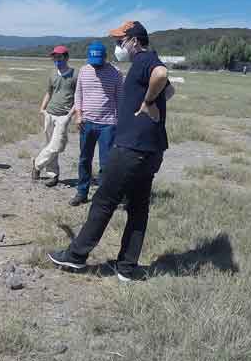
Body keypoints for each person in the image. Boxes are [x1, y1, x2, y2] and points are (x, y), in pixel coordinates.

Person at [49, 20, 176, 282]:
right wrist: (151, 101)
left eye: (121, 41)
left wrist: (148, 101)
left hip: (132, 147)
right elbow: (171, 89)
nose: (118, 46)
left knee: (104, 201)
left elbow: (162, 77)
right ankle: (127, 268)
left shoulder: (144, 59)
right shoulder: (149, 59)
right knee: (139, 208)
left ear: (134, 41)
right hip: (152, 149)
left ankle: (76, 256)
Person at [69, 41, 124, 206]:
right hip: (87, 123)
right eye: (93, 61)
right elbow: (78, 95)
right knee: (84, 159)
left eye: (99, 62)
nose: (96, 66)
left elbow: (120, 98)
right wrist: (78, 116)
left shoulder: (116, 72)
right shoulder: (84, 71)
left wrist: (120, 122)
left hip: (108, 124)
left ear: (105, 57)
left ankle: (104, 196)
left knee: (106, 163)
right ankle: (82, 192)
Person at [31, 45, 78, 187]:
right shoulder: (52, 74)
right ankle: (53, 175)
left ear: (66, 57)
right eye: (54, 57)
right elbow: (49, 93)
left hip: (64, 115)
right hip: (50, 113)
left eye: (60, 56)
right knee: (50, 145)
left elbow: (79, 97)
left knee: (57, 145)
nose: (57, 59)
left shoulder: (75, 75)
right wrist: (42, 108)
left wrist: (71, 114)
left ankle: (37, 163)